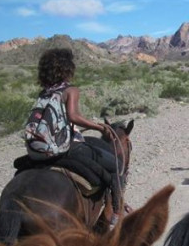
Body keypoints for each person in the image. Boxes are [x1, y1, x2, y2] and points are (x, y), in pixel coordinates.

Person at [32, 47, 125, 222]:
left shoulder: (45, 92)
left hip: (38, 147)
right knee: (116, 165)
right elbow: (73, 116)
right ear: (67, 69)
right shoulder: (70, 90)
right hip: (64, 146)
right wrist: (99, 128)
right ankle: (116, 212)